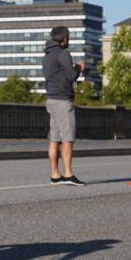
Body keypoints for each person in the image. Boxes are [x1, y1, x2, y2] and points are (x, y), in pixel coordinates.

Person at [42, 26, 86, 185]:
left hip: (51, 99)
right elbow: (72, 76)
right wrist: (79, 68)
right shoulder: (63, 53)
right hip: (62, 100)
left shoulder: (47, 55)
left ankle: (55, 175)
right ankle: (68, 174)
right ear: (65, 38)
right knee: (68, 138)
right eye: (68, 37)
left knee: (54, 139)